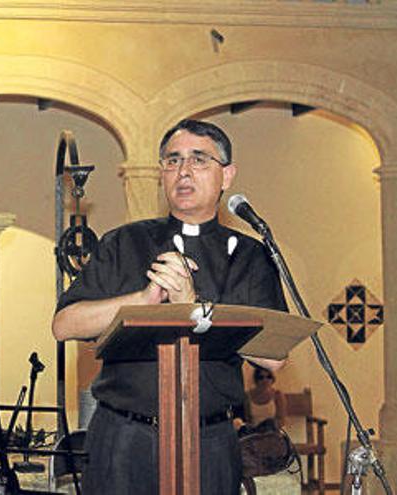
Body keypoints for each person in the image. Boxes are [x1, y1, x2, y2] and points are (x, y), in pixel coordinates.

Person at [51, 119, 289, 494]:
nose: (183, 171)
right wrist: (142, 301)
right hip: (124, 438)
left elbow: (273, 358)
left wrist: (193, 309)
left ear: (227, 176)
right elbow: (64, 325)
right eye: (173, 160)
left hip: (208, 440)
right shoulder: (124, 242)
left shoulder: (250, 255)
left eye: (199, 160)